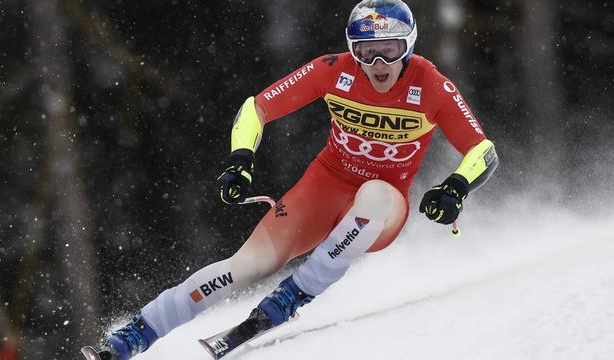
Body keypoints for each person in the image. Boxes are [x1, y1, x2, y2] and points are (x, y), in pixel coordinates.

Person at [92, 0, 498, 359]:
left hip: (384, 204)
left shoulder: (431, 85)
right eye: (366, 53)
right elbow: (257, 107)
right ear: (352, 50)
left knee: (374, 194)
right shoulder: (333, 70)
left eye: (388, 52)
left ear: (407, 47)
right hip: (324, 187)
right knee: (245, 267)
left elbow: (483, 150)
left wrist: (455, 188)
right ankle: (135, 335)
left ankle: (291, 297)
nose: (378, 66)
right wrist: (240, 159)